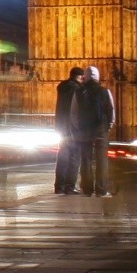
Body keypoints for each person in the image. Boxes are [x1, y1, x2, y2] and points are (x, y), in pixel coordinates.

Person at [73, 65, 117, 197]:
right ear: (97, 77)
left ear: (85, 77)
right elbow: (111, 111)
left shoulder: (79, 92)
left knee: (85, 159)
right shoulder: (105, 91)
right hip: (100, 130)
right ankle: (101, 189)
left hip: (84, 130)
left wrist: (78, 127)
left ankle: (87, 189)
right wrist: (107, 127)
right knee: (101, 160)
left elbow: (74, 113)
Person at [53, 66, 85, 194]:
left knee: (62, 156)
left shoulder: (62, 87)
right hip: (74, 128)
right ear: (80, 77)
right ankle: (69, 186)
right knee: (74, 157)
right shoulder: (78, 89)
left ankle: (59, 186)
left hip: (61, 127)